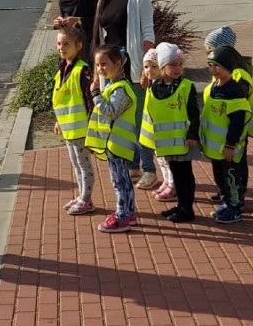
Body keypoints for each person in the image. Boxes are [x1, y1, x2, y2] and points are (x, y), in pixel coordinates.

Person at [92, 0, 157, 190]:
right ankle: (133, 166)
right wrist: (99, 75)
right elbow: (100, 36)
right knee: (121, 121)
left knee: (140, 121)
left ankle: (150, 170)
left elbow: (148, 32)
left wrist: (146, 68)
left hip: (134, 67)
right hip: (111, 70)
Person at [140, 42, 200, 223]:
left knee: (184, 176)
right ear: (162, 66)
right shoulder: (155, 86)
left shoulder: (185, 86)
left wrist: (192, 134)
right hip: (166, 144)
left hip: (182, 142)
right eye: (173, 64)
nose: (178, 68)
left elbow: (194, 113)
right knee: (175, 174)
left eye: (180, 64)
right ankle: (180, 205)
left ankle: (187, 209)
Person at [85, 44, 139, 233]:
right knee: (122, 180)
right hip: (113, 144)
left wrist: (95, 95)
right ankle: (129, 213)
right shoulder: (113, 86)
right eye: (97, 65)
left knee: (120, 181)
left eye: (104, 64)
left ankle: (123, 215)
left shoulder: (121, 89)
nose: (100, 69)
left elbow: (111, 112)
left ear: (118, 64)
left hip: (118, 145)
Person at [204, 26, 253, 204]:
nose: (208, 55)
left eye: (210, 51)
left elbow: (237, 107)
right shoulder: (221, 74)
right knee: (222, 166)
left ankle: (237, 195)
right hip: (222, 132)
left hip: (234, 132)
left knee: (235, 165)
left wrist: (231, 141)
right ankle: (225, 192)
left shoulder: (237, 76)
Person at [201, 46, 250, 224]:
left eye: (216, 66)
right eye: (210, 65)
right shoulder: (214, 87)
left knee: (231, 178)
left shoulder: (233, 91)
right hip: (216, 148)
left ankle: (235, 207)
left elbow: (237, 122)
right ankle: (226, 202)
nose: (212, 70)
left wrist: (230, 144)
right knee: (220, 178)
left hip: (227, 148)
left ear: (227, 67)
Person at [52, 26, 96, 215]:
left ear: (79, 46)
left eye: (66, 44)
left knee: (84, 165)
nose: (62, 48)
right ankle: (81, 196)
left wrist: (93, 126)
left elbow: (90, 99)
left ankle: (86, 199)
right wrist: (58, 121)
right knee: (76, 164)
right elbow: (60, 98)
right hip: (68, 129)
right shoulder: (62, 69)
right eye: (59, 44)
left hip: (81, 129)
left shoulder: (81, 70)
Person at [140, 49, 174, 201]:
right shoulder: (151, 85)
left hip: (164, 134)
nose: (149, 71)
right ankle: (166, 182)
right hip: (155, 134)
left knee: (168, 161)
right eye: (146, 67)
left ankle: (173, 185)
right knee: (161, 160)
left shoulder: (162, 87)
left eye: (154, 66)